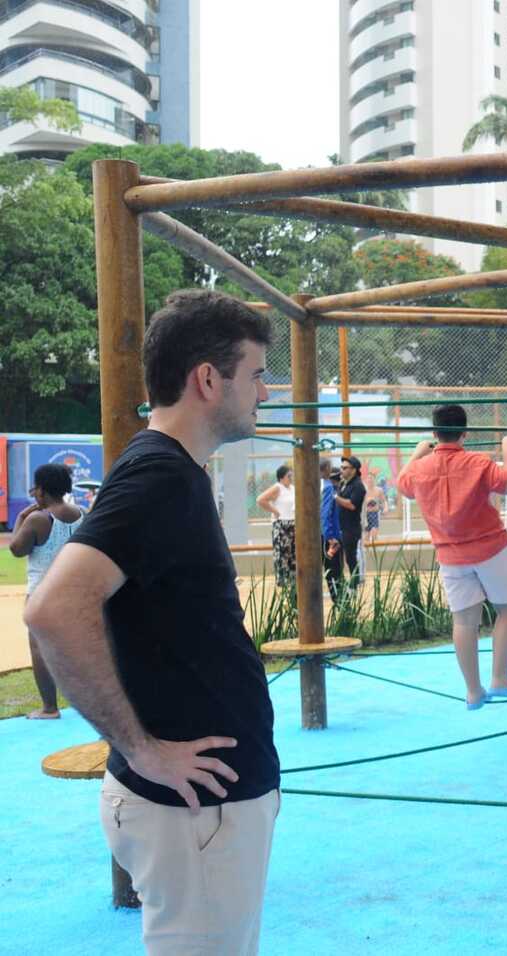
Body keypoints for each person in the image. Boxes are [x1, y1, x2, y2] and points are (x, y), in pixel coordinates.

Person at [24, 290, 280, 953]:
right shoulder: (159, 475)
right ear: (207, 379)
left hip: (202, 808)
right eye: (255, 373)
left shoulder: (171, 471)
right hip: (192, 814)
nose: (267, 390)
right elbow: (53, 609)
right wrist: (142, 750)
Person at [397, 405, 507, 708]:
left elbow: (403, 485)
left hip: (451, 554)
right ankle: (499, 679)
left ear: (434, 433)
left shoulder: (419, 468)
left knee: (464, 621)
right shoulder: (477, 461)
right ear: (465, 433)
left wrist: (418, 453)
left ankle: (473, 691)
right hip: (491, 548)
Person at [9, 463, 84, 719]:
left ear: (41, 490)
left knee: (40, 649)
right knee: (77, 649)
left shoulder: (38, 519)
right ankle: (86, 704)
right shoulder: (82, 514)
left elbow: (17, 550)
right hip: (74, 592)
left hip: (42, 594)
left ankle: (49, 708)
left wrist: (20, 519)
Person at [256, 463, 296, 586]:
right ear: (282, 477)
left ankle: (293, 580)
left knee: (292, 554)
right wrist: (275, 511)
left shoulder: (292, 488)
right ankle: (283, 581)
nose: (291, 478)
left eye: (291, 476)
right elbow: (260, 499)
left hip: (292, 523)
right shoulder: (278, 487)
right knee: (282, 553)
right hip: (281, 524)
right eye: (289, 476)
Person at [334, 456, 367, 593]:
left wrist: (334, 497)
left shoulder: (358, 486)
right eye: (341, 467)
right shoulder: (344, 483)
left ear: (354, 470)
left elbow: (352, 505)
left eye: (345, 468)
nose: (341, 470)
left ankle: (354, 585)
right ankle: (342, 584)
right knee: (339, 557)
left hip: (351, 529)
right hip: (341, 526)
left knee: (350, 557)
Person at [320, 461, 344, 600]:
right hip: (330, 536)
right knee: (334, 570)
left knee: (331, 569)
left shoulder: (316, 486)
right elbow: (326, 513)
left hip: (322, 534)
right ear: (327, 469)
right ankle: (339, 601)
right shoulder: (328, 488)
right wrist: (330, 537)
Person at [363, 476, 386, 548]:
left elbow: (383, 501)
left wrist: (385, 508)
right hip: (366, 514)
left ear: (374, 480)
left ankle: (375, 550)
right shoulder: (363, 490)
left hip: (375, 513)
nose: (370, 480)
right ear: (366, 481)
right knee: (366, 535)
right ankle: (367, 552)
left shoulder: (379, 490)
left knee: (374, 533)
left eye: (371, 479)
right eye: (368, 479)